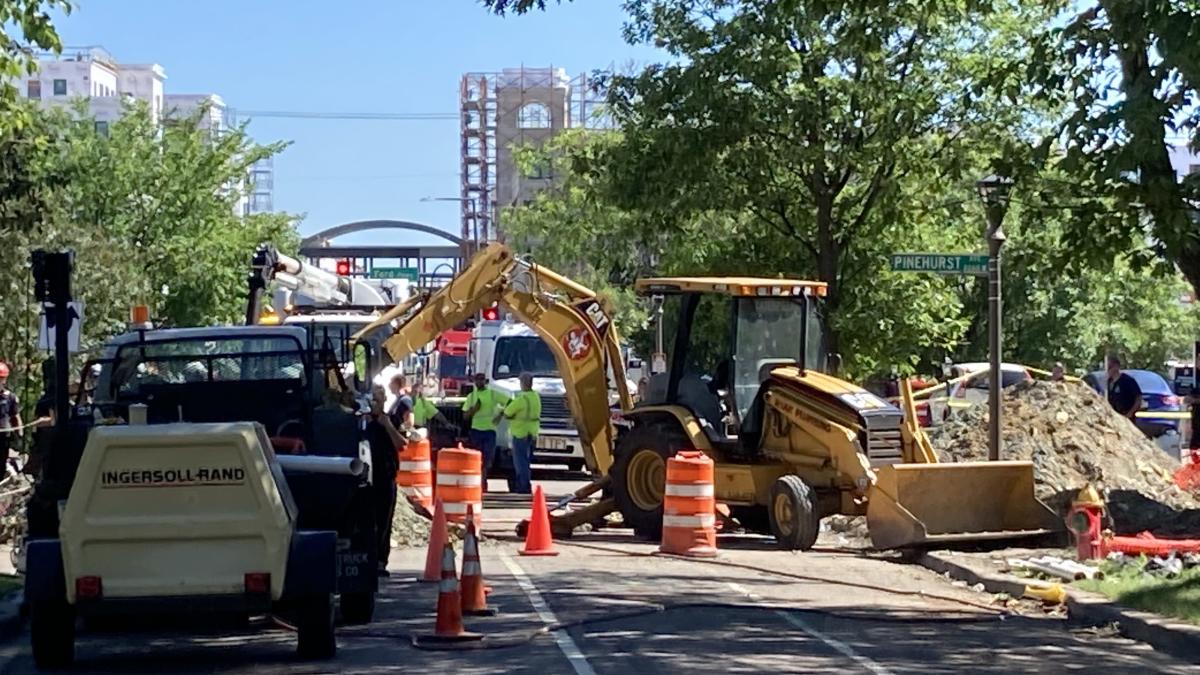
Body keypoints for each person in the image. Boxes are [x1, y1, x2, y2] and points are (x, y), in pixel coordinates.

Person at [366, 385, 404, 577]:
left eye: (378, 399)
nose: (375, 402)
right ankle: (368, 558)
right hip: (365, 478)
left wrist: (387, 424)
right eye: (372, 399)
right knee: (367, 521)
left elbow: (401, 444)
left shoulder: (391, 420)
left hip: (385, 476)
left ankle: (381, 561)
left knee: (384, 521)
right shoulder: (363, 422)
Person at [462, 372, 508, 488]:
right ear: (474, 381)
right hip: (476, 431)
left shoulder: (492, 394)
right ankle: (479, 482)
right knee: (477, 459)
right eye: (477, 380)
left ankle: (483, 480)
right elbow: (465, 416)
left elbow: (509, 402)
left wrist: (501, 414)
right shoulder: (471, 396)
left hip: (489, 431)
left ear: (485, 381)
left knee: (487, 459)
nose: (479, 382)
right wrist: (474, 409)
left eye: (482, 379)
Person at [497, 372, 540, 494]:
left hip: (520, 434)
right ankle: (526, 485)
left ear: (523, 383)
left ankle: (523, 486)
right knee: (526, 461)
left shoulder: (522, 399)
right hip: (532, 433)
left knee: (520, 462)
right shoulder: (536, 397)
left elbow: (507, 413)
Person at [1106, 355, 1143, 420]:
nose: (1107, 370)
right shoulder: (1108, 382)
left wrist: (1130, 413)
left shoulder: (1128, 380)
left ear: (1116, 366)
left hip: (1126, 416)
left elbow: (1138, 398)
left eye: (1109, 367)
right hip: (1114, 417)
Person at [0, 363, 23, 460]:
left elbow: (15, 416)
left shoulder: (10, 397)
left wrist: (20, 432)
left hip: (4, 436)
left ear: (4, 380)